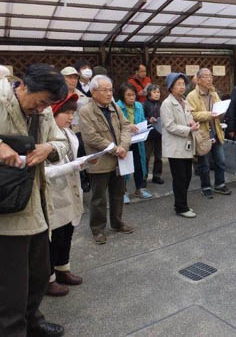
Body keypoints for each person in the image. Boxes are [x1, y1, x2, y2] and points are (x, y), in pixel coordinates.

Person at [0, 64, 68, 337]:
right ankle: (12, 330)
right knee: (11, 283)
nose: (41, 109)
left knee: (39, 274)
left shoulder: (45, 111)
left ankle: (32, 320)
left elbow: (61, 142)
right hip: (7, 206)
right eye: (40, 102)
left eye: (47, 104)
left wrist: (48, 147)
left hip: (37, 202)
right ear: (23, 86)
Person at [79, 75, 135, 245]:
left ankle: (117, 223)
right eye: (105, 90)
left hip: (119, 159)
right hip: (100, 161)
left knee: (118, 193)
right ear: (94, 91)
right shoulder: (85, 111)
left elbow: (125, 126)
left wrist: (124, 146)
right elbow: (91, 137)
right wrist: (114, 149)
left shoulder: (114, 106)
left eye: (110, 89)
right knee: (98, 198)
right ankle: (98, 229)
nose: (109, 93)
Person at [44, 93, 87, 298]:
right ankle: (48, 278)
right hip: (54, 192)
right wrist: (72, 166)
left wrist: (85, 162)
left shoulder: (69, 133)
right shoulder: (45, 135)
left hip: (70, 188)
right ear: (53, 113)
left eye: (72, 113)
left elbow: (73, 159)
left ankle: (63, 268)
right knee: (55, 236)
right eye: (66, 113)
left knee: (68, 230)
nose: (70, 118)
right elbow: (44, 171)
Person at [186, 68, 231, 199]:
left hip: (216, 130)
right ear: (198, 80)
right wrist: (209, 115)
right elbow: (192, 114)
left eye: (210, 76)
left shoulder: (214, 93)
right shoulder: (191, 96)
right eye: (205, 76)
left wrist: (222, 111)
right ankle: (205, 187)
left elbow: (218, 108)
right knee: (204, 163)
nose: (209, 79)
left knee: (220, 160)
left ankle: (220, 184)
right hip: (203, 133)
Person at [160, 73, 200, 218]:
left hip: (186, 145)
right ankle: (181, 207)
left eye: (183, 84)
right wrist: (189, 129)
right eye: (178, 84)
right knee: (180, 178)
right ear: (171, 87)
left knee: (187, 176)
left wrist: (192, 123)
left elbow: (188, 117)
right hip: (175, 147)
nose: (182, 87)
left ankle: (183, 204)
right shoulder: (167, 104)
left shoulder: (184, 101)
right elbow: (169, 126)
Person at [116, 83, 152, 200]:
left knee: (139, 165)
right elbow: (115, 125)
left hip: (138, 140)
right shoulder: (117, 107)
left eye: (133, 95)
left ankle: (139, 189)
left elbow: (142, 121)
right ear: (122, 96)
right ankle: (123, 191)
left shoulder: (139, 106)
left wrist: (142, 127)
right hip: (124, 141)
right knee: (125, 165)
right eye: (128, 95)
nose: (132, 97)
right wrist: (128, 126)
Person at [60, 66, 91, 192]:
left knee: (80, 158)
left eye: (75, 77)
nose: (73, 80)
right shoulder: (56, 95)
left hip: (79, 132)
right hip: (61, 132)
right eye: (69, 77)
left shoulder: (82, 96)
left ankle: (83, 182)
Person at [143, 84, 164, 185]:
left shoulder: (161, 104)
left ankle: (157, 176)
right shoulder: (144, 104)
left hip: (159, 133)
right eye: (154, 92)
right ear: (149, 93)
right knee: (146, 157)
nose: (157, 94)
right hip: (148, 134)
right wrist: (149, 120)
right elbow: (141, 118)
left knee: (159, 156)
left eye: (158, 92)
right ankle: (144, 177)